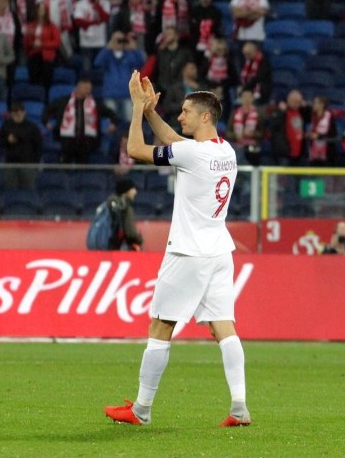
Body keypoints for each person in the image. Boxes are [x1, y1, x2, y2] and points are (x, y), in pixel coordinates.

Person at [104, 71, 248, 428]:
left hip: (187, 252)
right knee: (223, 327)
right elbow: (176, 144)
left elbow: (136, 150)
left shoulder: (193, 154)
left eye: (185, 111)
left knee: (160, 325)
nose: (179, 116)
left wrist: (138, 109)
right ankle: (239, 406)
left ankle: (141, 410)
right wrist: (154, 112)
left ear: (204, 116)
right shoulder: (225, 151)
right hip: (218, 251)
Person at [0, 101, 43, 191]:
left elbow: (38, 147)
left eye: (20, 111)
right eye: (15, 111)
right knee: (10, 191)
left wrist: (35, 164)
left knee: (28, 191)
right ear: (11, 113)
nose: (18, 113)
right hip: (10, 164)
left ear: (24, 112)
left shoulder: (32, 127)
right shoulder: (6, 126)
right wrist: (7, 140)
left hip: (28, 165)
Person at [106, 177, 144, 250]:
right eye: (133, 189)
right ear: (126, 191)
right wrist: (139, 240)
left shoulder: (109, 204)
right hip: (118, 249)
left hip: (107, 247)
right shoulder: (126, 208)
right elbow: (131, 233)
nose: (135, 192)